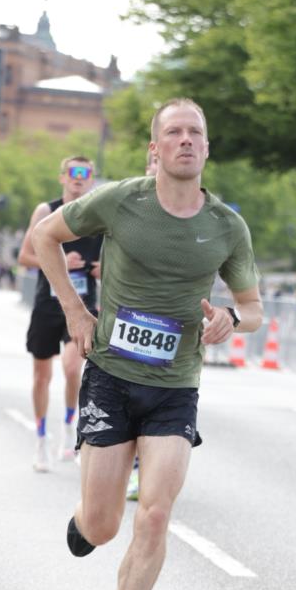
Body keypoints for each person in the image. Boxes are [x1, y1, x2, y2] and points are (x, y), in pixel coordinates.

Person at [33, 98, 263, 590]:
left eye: (196, 133)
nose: (186, 141)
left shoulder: (227, 227)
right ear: (154, 149)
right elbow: (45, 237)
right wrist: (75, 310)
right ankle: (87, 520)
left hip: (175, 389)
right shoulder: (121, 201)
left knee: (156, 514)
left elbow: (256, 311)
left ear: (207, 148)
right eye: (173, 132)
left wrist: (231, 320)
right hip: (110, 377)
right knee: (105, 526)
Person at [18, 157, 102, 473]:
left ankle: (69, 428)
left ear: (92, 180)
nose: (79, 178)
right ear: (62, 178)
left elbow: (113, 265)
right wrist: (60, 262)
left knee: (71, 369)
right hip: (47, 304)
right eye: (73, 173)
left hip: (81, 307)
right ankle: (40, 438)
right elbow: (25, 256)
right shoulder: (45, 212)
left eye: (86, 174)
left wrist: (97, 269)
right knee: (42, 375)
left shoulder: (98, 217)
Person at [124, 146, 159, 502]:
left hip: (167, 329)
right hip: (125, 320)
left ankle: (142, 470)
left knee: (154, 402)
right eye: (151, 164)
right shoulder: (127, 206)